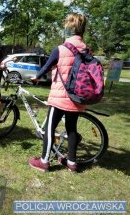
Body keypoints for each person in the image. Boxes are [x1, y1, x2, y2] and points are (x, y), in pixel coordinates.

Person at [29, 13, 88, 173]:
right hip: (77, 96)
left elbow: (46, 67)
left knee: (50, 127)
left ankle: (44, 161)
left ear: (69, 29)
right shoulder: (86, 50)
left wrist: (36, 77)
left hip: (61, 96)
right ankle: (71, 162)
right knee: (72, 128)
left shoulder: (61, 49)